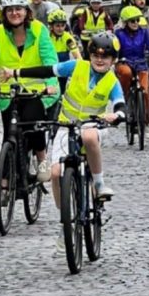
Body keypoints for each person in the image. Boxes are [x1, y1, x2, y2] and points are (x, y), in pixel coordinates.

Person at [0, 0, 59, 204]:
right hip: (8, 92)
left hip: (36, 90)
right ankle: (4, 188)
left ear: (26, 11)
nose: (15, 13)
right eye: (10, 10)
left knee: (32, 121)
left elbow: (50, 59)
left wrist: (51, 85)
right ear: (4, 13)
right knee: (9, 137)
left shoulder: (40, 31)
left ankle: (42, 160)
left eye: (19, 9)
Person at [50, 31, 126, 212]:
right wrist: (15, 72)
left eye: (105, 56)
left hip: (94, 125)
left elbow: (120, 104)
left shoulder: (111, 81)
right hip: (66, 125)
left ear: (113, 59)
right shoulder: (77, 66)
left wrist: (117, 116)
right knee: (54, 173)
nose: (100, 60)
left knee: (89, 136)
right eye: (95, 55)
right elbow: (48, 70)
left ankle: (99, 184)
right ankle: (65, 218)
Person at [115, 4, 149, 136]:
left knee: (145, 93)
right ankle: (125, 97)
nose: (135, 23)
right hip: (124, 61)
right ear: (125, 22)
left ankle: (145, 123)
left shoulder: (144, 32)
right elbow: (115, 48)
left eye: (137, 20)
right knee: (126, 73)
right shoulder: (119, 33)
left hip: (141, 63)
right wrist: (115, 58)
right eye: (132, 21)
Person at [47, 8, 81, 72]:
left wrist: (81, 68)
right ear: (51, 26)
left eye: (63, 25)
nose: (61, 29)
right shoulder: (47, 37)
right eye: (57, 26)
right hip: (50, 68)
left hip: (62, 69)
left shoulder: (68, 38)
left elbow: (77, 55)